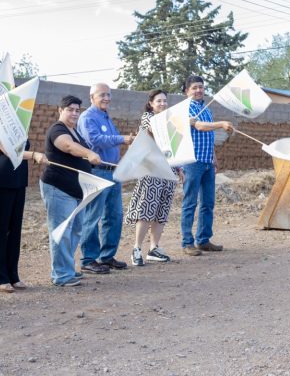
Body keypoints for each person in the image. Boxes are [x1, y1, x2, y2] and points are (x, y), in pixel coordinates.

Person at [40, 95, 101, 286]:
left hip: (76, 191)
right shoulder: (57, 130)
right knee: (62, 232)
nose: (74, 113)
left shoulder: (74, 131)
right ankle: (61, 275)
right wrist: (89, 153)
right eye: (70, 109)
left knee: (75, 231)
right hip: (58, 188)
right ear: (60, 110)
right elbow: (68, 146)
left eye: (77, 110)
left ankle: (67, 269)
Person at [0, 118, 46, 293]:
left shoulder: (17, 125)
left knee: (14, 230)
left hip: (18, 182)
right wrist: (34, 155)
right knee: (0, 229)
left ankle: (12, 275)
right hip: (1, 181)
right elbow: (9, 150)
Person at [77, 82, 133, 274]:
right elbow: (95, 141)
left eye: (108, 95)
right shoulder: (87, 117)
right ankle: (88, 259)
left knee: (114, 215)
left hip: (113, 172)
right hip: (97, 171)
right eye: (102, 95)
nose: (106, 98)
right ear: (92, 97)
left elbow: (113, 142)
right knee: (93, 216)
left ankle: (107, 257)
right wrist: (122, 139)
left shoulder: (106, 117)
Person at [124, 89, 183, 266]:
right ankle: (136, 248)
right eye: (159, 101)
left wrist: (179, 168)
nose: (163, 104)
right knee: (147, 209)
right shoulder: (148, 118)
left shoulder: (168, 121)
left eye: (165, 101)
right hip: (152, 171)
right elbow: (158, 134)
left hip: (169, 170)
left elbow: (173, 147)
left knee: (161, 210)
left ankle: (154, 248)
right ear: (151, 103)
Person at [181, 75, 234, 256]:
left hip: (207, 162)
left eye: (201, 87)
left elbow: (208, 137)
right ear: (186, 91)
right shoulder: (186, 109)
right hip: (192, 162)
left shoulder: (205, 108)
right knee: (190, 203)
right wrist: (221, 124)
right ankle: (187, 243)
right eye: (194, 87)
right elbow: (200, 127)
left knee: (208, 203)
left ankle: (203, 240)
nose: (198, 90)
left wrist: (214, 156)